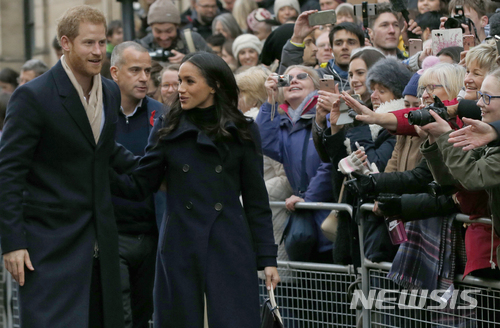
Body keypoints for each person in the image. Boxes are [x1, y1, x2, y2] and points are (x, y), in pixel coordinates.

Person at [110, 51, 280, 327]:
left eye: (189, 81)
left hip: (228, 241)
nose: (180, 89)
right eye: (179, 81)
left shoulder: (243, 130)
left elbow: (256, 199)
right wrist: (103, 154)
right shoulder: (168, 126)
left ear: (214, 85)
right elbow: (142, 183)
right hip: (179, 242)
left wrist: (267, 258)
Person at [0, 5, 137, 327]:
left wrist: (156, 170)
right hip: (47, 243)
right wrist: (13, 242)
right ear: (66, 43)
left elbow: (105, 150)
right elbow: (9, 172)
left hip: (101, 239)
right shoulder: (32, 96)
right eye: (89, 43)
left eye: (103, 43)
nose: (98, 51)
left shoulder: (110, 91)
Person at [109, 41, 166, 328]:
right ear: (115, 72)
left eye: (148, 70)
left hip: (153, 234)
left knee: (146, 316)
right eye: (135, 70)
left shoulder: (163, 115)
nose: (144, 77)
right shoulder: (96, 114)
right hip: (110, 234)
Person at [257, 65, 334, 262]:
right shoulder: (285, 123)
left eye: (302, 76)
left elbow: (331, 162)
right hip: (304, 219)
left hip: (329, 214)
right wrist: (271, 100)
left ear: (315, 85)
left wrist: (309, 200)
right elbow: (263, 142)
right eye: (287, 78)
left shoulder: (326, 113)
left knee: (334, 284)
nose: (293, 81)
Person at [279, 11, 364, 90]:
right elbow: (285, 85)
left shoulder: (371, 76)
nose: (344, 47)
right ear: (331, 50)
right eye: (338, 43)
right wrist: (297, 38)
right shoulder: (315, 77)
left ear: (362, 47)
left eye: (351, 42)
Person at [136, 0, 210, 64]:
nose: (164, 37)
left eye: (169, 31)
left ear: (177, 26)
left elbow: (213, 66)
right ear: (151, 28)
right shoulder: (143, 46)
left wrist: (190, 62)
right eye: (158, 31)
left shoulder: (193, 40)